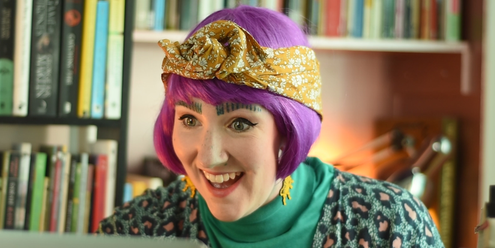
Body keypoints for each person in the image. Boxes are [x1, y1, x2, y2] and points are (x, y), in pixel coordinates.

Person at [97, 5, 444, 248]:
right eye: (189, 119)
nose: (209, 157)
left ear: (289, 130)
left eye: (240, 123)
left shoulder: (392, 226)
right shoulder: (134, 233)